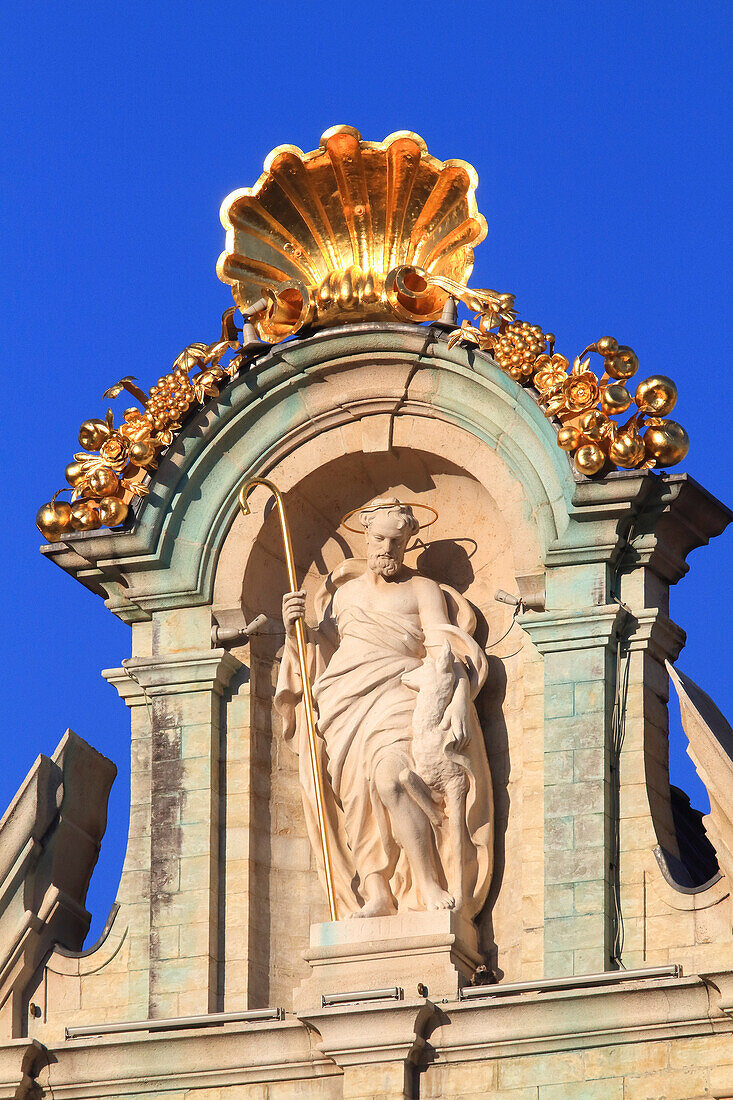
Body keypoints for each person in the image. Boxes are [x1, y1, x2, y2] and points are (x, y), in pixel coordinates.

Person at [275, 498, 493, 919]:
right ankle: (377, 891)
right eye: (379, 539)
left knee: (392, 778)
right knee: (357, 795)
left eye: (397, 541)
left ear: (408, 541)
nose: (387, 550)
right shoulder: (343, 594)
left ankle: (427, 882)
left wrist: (461, 698)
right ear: (365, 536)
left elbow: (443, 650)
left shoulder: (421, 589)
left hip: (399, 694)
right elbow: (318, 654)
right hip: (343, 703)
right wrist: (294, 630)